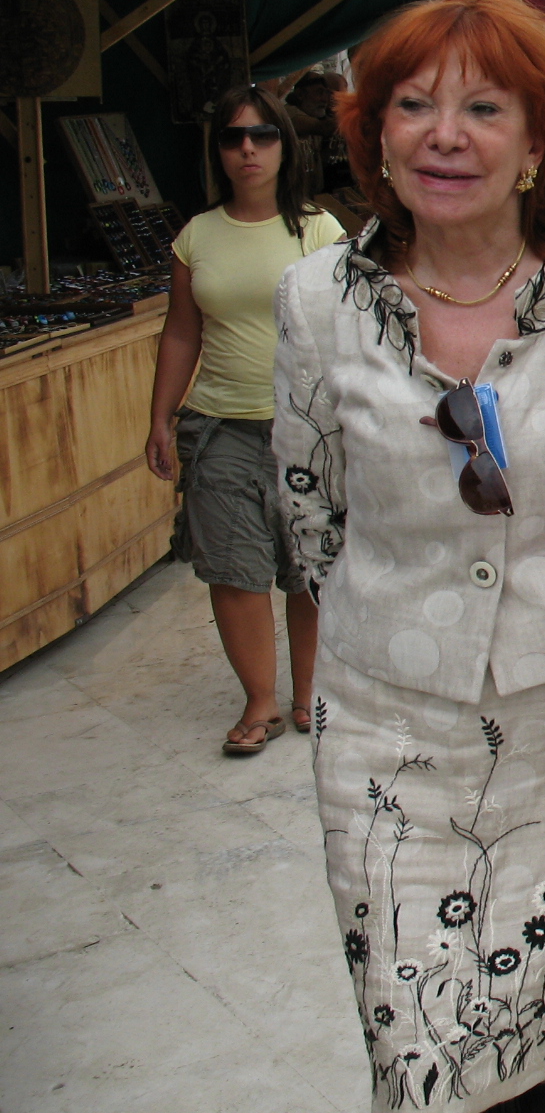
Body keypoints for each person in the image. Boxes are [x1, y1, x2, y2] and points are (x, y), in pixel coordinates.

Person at [273, 0, 545, 1113]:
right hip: (390, 727)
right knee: (415, 1024)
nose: (443, 135)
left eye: (482, 108)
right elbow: (310, 511)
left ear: (536, 143)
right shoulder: (317, 299)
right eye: (411, 105)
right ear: (373, 135)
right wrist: (405, 622)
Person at [144, 87, 346, 753]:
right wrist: (161, 418)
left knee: (307, 568)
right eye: (233, 138)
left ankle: (307, 692)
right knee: (234, 571)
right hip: (221, 426)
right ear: (219, 152)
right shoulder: (196, 238)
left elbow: (349, 330)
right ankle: (259, 701)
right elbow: (181, 333)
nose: (248, 149)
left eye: (262, 135)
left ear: (286, 145)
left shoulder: (318, 231)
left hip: (308, 428)